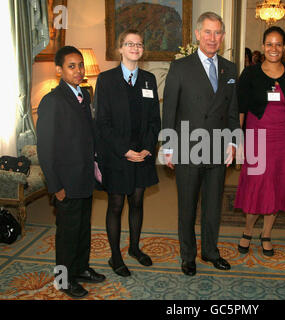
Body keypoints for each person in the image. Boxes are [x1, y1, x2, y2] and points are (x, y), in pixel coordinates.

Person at [162, 12, 240, 276]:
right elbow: (169, 110)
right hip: (188, 147)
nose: (212, 38)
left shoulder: (230, 68)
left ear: (223, 36)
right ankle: (188, 256)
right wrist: (168, 146)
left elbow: (232, 110)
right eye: (207, 32)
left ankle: (210, 252)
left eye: (217, 32)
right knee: (187, 206)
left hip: (218, 147)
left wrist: (233, 143)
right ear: (197, 34)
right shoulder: (180, 67)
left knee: (212, 206)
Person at [37, 46, 106, 299]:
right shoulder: (52, 101)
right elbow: (45, 149)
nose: (78, 71)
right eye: (71, 66)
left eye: (80, 65)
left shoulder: (84, 95)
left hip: (85, 177)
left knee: (82, 229)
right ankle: (64, 280)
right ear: (59, 70)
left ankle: (80, 269)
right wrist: (55, 186)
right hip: (65, 181)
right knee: (67, 233)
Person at [234, 26, 285, 257]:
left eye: (278, 44)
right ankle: (247, 231)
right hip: (257, 137)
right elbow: (241, 109)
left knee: (276, 187)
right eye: (269, 44)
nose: (273, 49)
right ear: (263, 46)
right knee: (256, 186)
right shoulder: (250, 73)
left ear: (284, 47)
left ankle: (266, 234)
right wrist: (238, 140)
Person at [94, 29, 161, 277]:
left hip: (142, 155)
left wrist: (146, 148)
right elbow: (101, 123)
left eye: (139, 44)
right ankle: (115, 256)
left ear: (143, 50)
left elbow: (155, 119)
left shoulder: (149, 79)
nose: (135, 47)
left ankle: (134, 248)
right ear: (120, 49)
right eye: (129, 44)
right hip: (116, 155)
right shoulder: (106, 79)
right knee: (115, 205)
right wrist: (125, 151)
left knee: (137, 202)